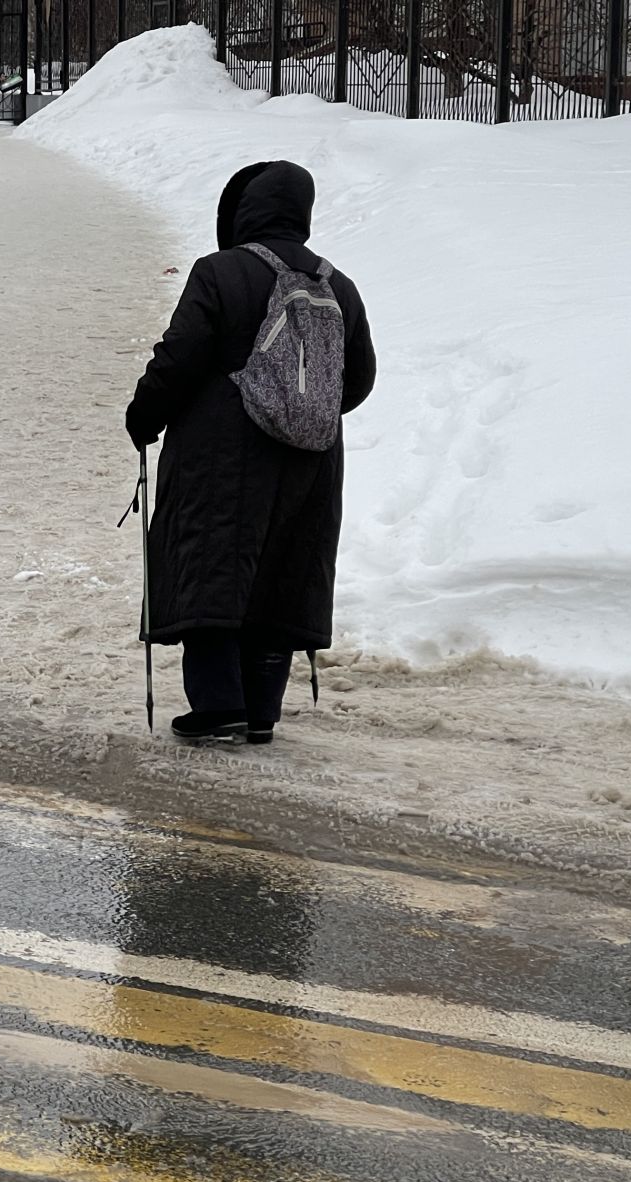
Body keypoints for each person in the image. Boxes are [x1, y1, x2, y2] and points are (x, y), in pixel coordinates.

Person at [124, 160, 377, 746]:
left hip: (223, 453)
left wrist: (144, 416)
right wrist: (301, 406)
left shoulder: (220, 272)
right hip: (313, 458)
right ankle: (260, 711)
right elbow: (358, 379)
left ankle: (217, 707)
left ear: (243, 210)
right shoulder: (338, 285)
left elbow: (180, 355)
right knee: (282, 574)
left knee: (214, 563)